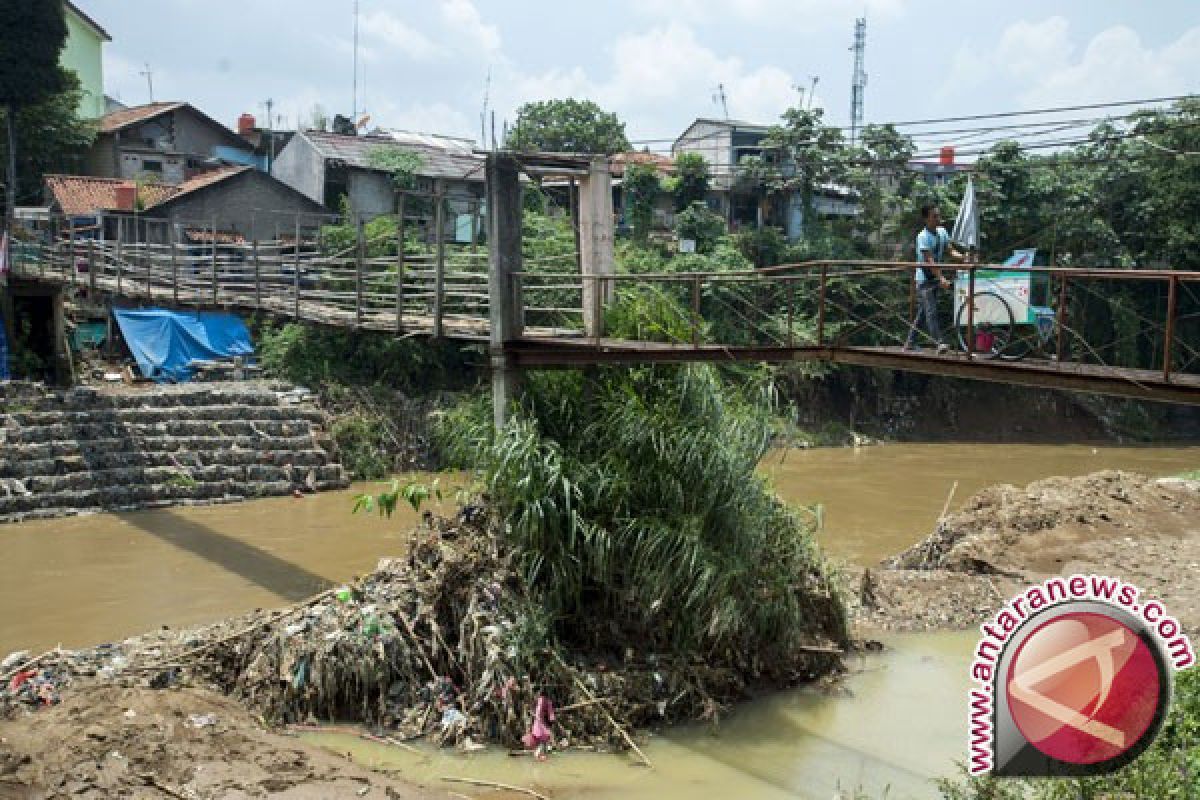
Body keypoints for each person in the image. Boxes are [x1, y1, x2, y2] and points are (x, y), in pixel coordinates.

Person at [905, 205, 965, 353]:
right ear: (926, 219)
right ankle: (939, 343)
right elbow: (930, 260)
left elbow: (950, 250)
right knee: (931, 311)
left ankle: (910, 343)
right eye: (934, 216)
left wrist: (964, 257)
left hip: (935, 277)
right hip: (924, 279)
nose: (938, 219)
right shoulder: (923, 237)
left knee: (923, 313)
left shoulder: (942, 232)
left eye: (938, 215)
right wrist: (942, 278)